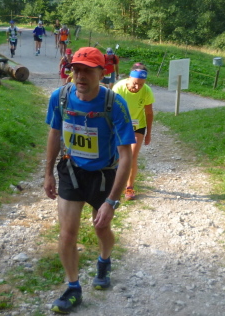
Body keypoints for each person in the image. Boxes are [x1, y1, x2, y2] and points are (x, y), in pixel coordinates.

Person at [44, 47, 135, 314]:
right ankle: (73, 288)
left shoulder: (115, 103)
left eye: (87, 70)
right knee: (67, 233)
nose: (80, 76)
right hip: (72, 170)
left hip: (104, 174)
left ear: (102, 73)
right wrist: (48, 173)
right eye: (76, 70)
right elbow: (54, 133)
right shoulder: (60, 97)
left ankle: (104, 260)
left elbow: (126, 155)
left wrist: (111, 202)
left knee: (101, 228)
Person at [112, 63, 155, 201]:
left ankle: (129, 187)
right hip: (120, 125)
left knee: (132, 156)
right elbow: (111, 110)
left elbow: (149, 113)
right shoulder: (118, 88)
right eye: (135, 83)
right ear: (129, 78)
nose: (137, 87)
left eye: (141, 84)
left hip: (138, 126)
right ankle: (114, 182)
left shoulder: (146, 91)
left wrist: (148, 133)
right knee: (117, 156)